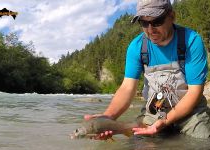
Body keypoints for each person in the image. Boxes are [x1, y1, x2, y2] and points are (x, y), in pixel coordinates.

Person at [85, 0, 210, 139]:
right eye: (144, 23)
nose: (150, 30)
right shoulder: (136, 47)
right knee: (139, 144)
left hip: (191, 112)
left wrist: (165, 121)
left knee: (202, 141)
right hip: (154, 111)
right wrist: (108, 118)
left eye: (157, 21)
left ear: (172, 16)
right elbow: (127, 88)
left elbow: (195, 92)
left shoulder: (191, 41)